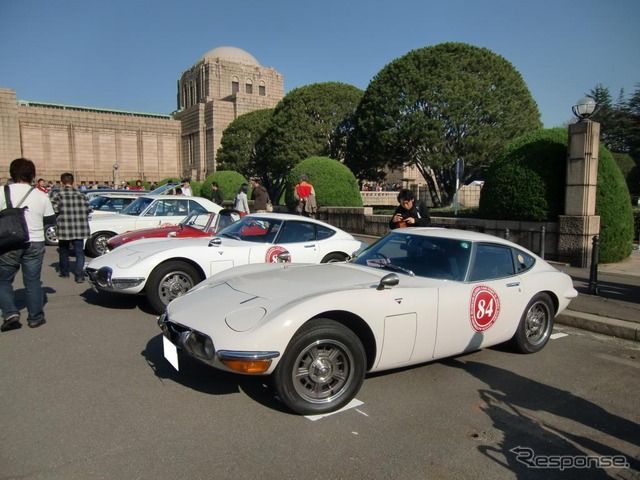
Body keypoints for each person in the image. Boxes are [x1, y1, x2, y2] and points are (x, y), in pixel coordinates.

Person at [0, 158, 56, 331]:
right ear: (33, 175)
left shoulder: (2, 192)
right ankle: (35, 317)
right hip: (35, 242)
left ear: (11, 173)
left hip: (8, 242)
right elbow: (50, 220)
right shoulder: (40, 195)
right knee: (33, 282)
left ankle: (10, 312)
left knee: (3, 280)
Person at [50, 172, 91, 283]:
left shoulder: (57, 195)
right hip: (80, 227)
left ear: (62, 183)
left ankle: (65, 273)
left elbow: (55, 210)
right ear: (73, 182)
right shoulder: (81, 195)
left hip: (64, 227)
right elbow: (88, 210)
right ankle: (79, 276)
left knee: (64, 251)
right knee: (79, 252)